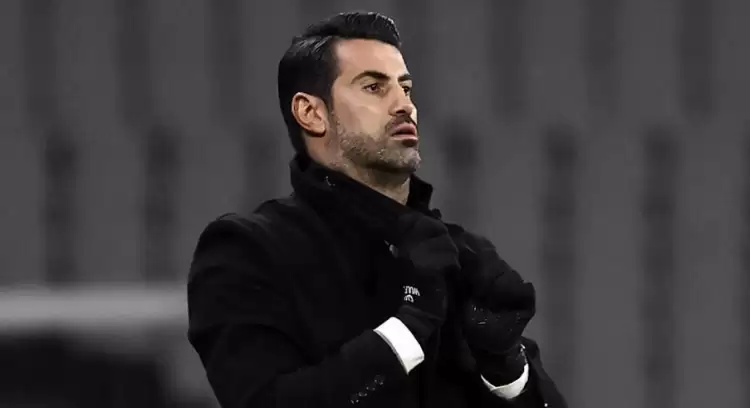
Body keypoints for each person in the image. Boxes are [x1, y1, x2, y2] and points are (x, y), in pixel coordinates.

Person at [187, 11, 567, 408]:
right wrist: (408, 327)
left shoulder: (460, 255)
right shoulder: (248, 249)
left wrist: (506, 369)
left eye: (406, 89)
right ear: (311, 113)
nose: (404, 106)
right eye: (374, 87)